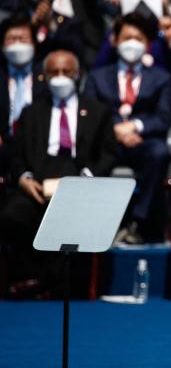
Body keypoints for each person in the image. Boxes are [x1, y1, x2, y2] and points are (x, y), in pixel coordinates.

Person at [0, 48, 117, 297]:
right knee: (12, 214)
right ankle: (33, 277)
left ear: (77, 75)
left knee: (75, 220)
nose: (60, 77)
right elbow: (16, 154)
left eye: (66, 71)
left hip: (79, 181)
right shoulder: (31, 112)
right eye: (54, 72)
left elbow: (108, 153)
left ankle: (58, 283)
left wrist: (86, 179)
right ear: (44, 76)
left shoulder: (98, 111)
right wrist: (25, 179)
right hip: (39, 183)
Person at [84, 13, 171, 242]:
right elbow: (89, 112)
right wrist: (115, 130)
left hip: (142, 142)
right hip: (107, 143)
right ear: (114, 41)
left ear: (147, 44)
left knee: (160, 153)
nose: (132, 43)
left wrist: (134, 126)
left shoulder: (162, 78)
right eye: (127, 37)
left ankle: (137, 221)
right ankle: (92, 223)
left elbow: (164, 117)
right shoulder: (97, 77)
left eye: (138, 38)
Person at [0, 14, 49, 163]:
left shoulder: (47, 76)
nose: (17, 44)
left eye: (23, 39)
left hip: (40, 148)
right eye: (11, 39)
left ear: (34, 43)